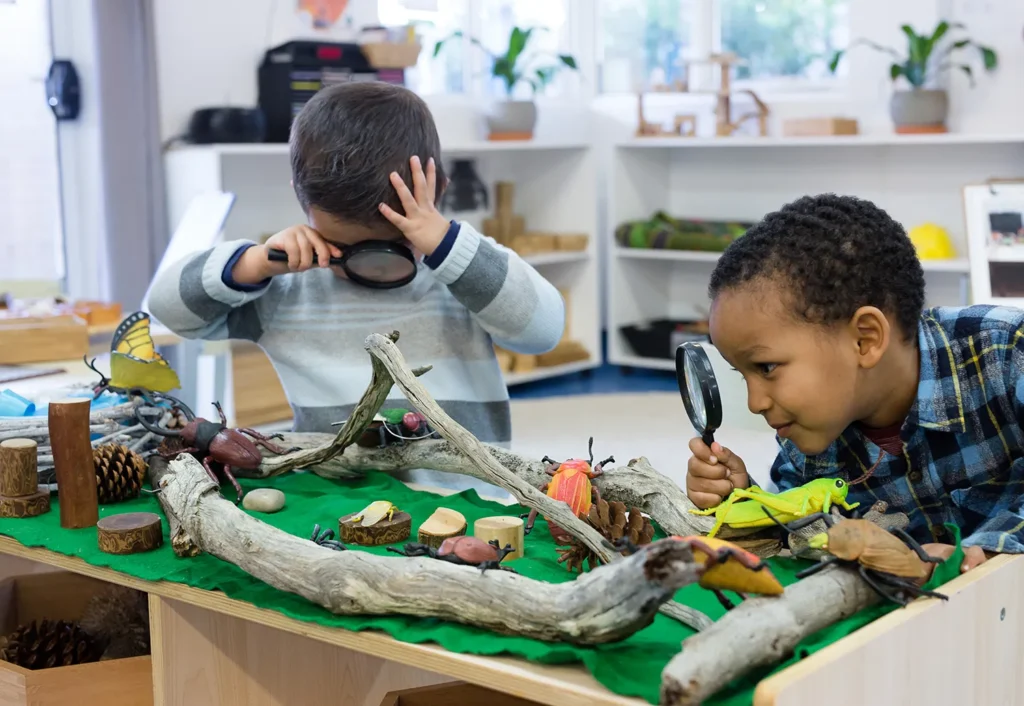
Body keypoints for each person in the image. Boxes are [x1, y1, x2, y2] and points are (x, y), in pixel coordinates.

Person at [147, 82, 565, 496]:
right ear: (302, 202)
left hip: (470, 504)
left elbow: (543, 330)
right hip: (337, 506)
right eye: (345, 249)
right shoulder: (288, 288)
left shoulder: (462, 268)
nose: (375, 268)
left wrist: (448, 246)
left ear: (435, 191)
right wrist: (252, 262)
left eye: (397, 243)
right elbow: (167, 306)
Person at [685, 193, 1024, 575]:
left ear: (865, 339)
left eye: (766, 367)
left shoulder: (1007, 349)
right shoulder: (809, 447)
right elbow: (799, 539)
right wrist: (743, 501)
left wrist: (993, 548)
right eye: (741, 373)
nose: (754, 402)